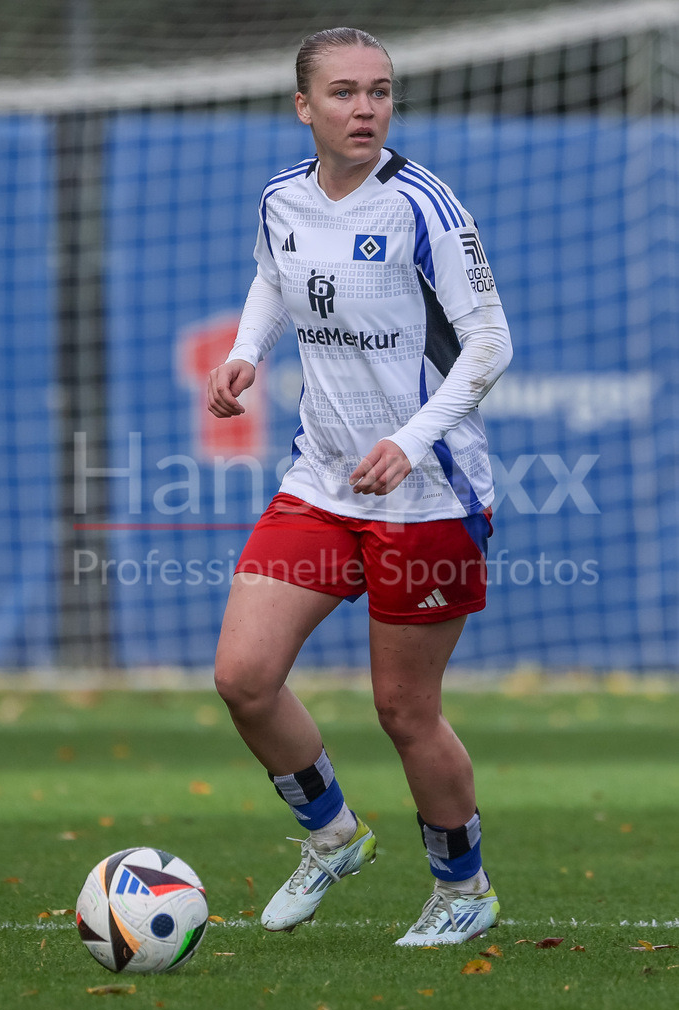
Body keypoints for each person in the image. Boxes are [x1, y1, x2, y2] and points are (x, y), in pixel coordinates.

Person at [207, 26, 512, 946]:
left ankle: (464, 889)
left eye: (379, 91)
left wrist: (413, 442)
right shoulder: (281, 199)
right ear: (305, 107)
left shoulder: (424, 205)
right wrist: (242, 354)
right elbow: (271, 278)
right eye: (343, 93)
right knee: (244, 679)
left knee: (402, 710)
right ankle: (332, 835)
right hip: (320, 483)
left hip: (429, 496)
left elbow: (490, 343)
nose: (365, 108)